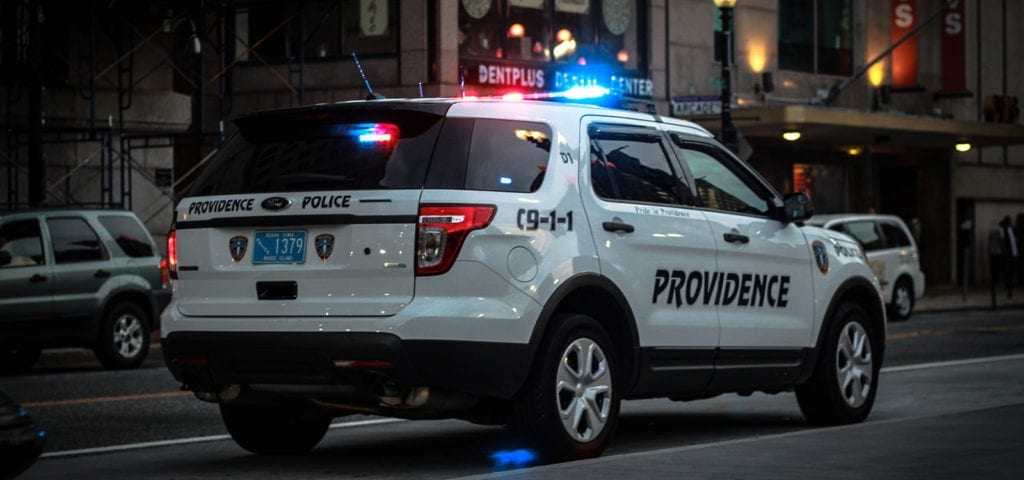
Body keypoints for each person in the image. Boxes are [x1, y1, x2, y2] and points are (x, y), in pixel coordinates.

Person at [990, 216, 1018, 304]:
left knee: (1012, 271)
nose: (1011, 222)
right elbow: (1002, 242)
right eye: (1009, 221)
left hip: (1014, 254)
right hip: (1008, 255)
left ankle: (1010, 288)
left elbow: (1014, 241)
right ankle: (1009, 291)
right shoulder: (1003, 230)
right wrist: (1004, 253)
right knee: (1008, 272)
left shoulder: (1012, 229)